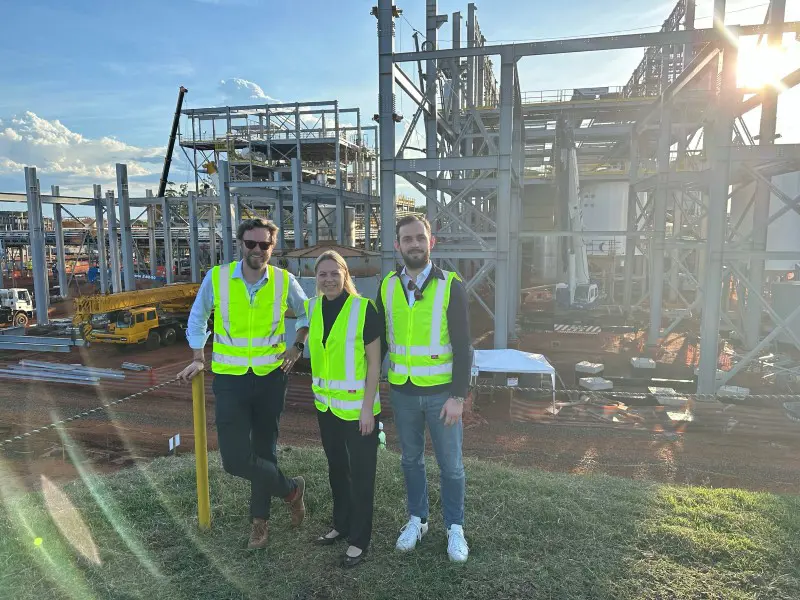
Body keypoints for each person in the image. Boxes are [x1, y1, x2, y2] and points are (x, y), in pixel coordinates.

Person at [178, 218, 309, 550]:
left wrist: (297, 346)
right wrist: (198, 356)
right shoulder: (218, 278)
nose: (257, 250)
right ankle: (292, 490)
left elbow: (307, 314)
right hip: (230, 380)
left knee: (265, 450)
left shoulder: (284, 281)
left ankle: (259, 524)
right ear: (240, 244)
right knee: (234, 459)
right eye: (251, 243)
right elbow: (198, 316)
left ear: (272, 247)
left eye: (264, 244)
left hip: (270, 379)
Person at [376, 214, 472, 563]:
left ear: (431, 242)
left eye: (420, 238)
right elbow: (380, 342)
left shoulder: (451, 285)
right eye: (407, 238)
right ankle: (418, 520)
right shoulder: (387, 286)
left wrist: (458, 397)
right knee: (411, 460)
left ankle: (455, 527)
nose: (414, 244)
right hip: (403, 391)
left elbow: (463, 346)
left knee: (451, 466)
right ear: (397, 245)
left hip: (441, 394)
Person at [306, 250, 382, 568]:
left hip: (358, 411)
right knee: (337, 469)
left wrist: (367, 410)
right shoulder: (313, 307)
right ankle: (342, 524)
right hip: (326, 407)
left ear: (345, 275)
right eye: (322, 274)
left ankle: (359, 540)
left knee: (362, 475)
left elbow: (374, 364)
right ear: (316, 278)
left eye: (334, 273)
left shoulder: (364, 309)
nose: (328, 280)